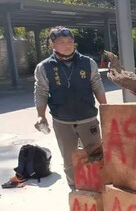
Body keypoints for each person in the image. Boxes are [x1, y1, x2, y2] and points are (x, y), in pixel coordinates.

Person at [34, 26, 107, 188]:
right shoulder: (44, 67)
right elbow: (41, 91)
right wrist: (41, 115)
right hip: (62, 121)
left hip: (88, 119)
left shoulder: (88, 63)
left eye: (70, 42)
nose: (67, 45)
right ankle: (75, 190)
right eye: (62, 42)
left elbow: (97, 85)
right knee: (69, 159)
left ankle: (99, 187)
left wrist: (105, 107)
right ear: (52, 45)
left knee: (96, 154)